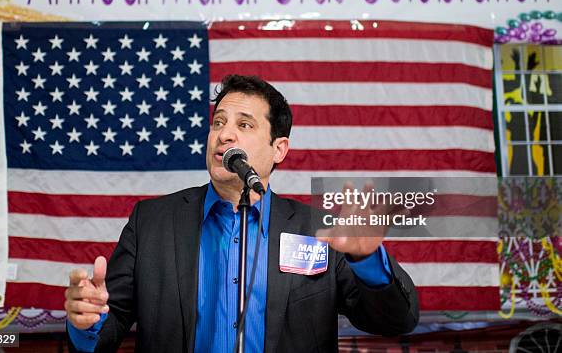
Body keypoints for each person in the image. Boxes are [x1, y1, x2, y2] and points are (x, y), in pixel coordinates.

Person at [64, 75, 419, 352]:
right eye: (218, 122)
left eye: (244, 125)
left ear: (278, 149)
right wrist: (86, 324)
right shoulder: (152, 222)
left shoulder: (317, 230)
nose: (224, 134)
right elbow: (104, 334)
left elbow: (396, 321)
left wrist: (366, 260)